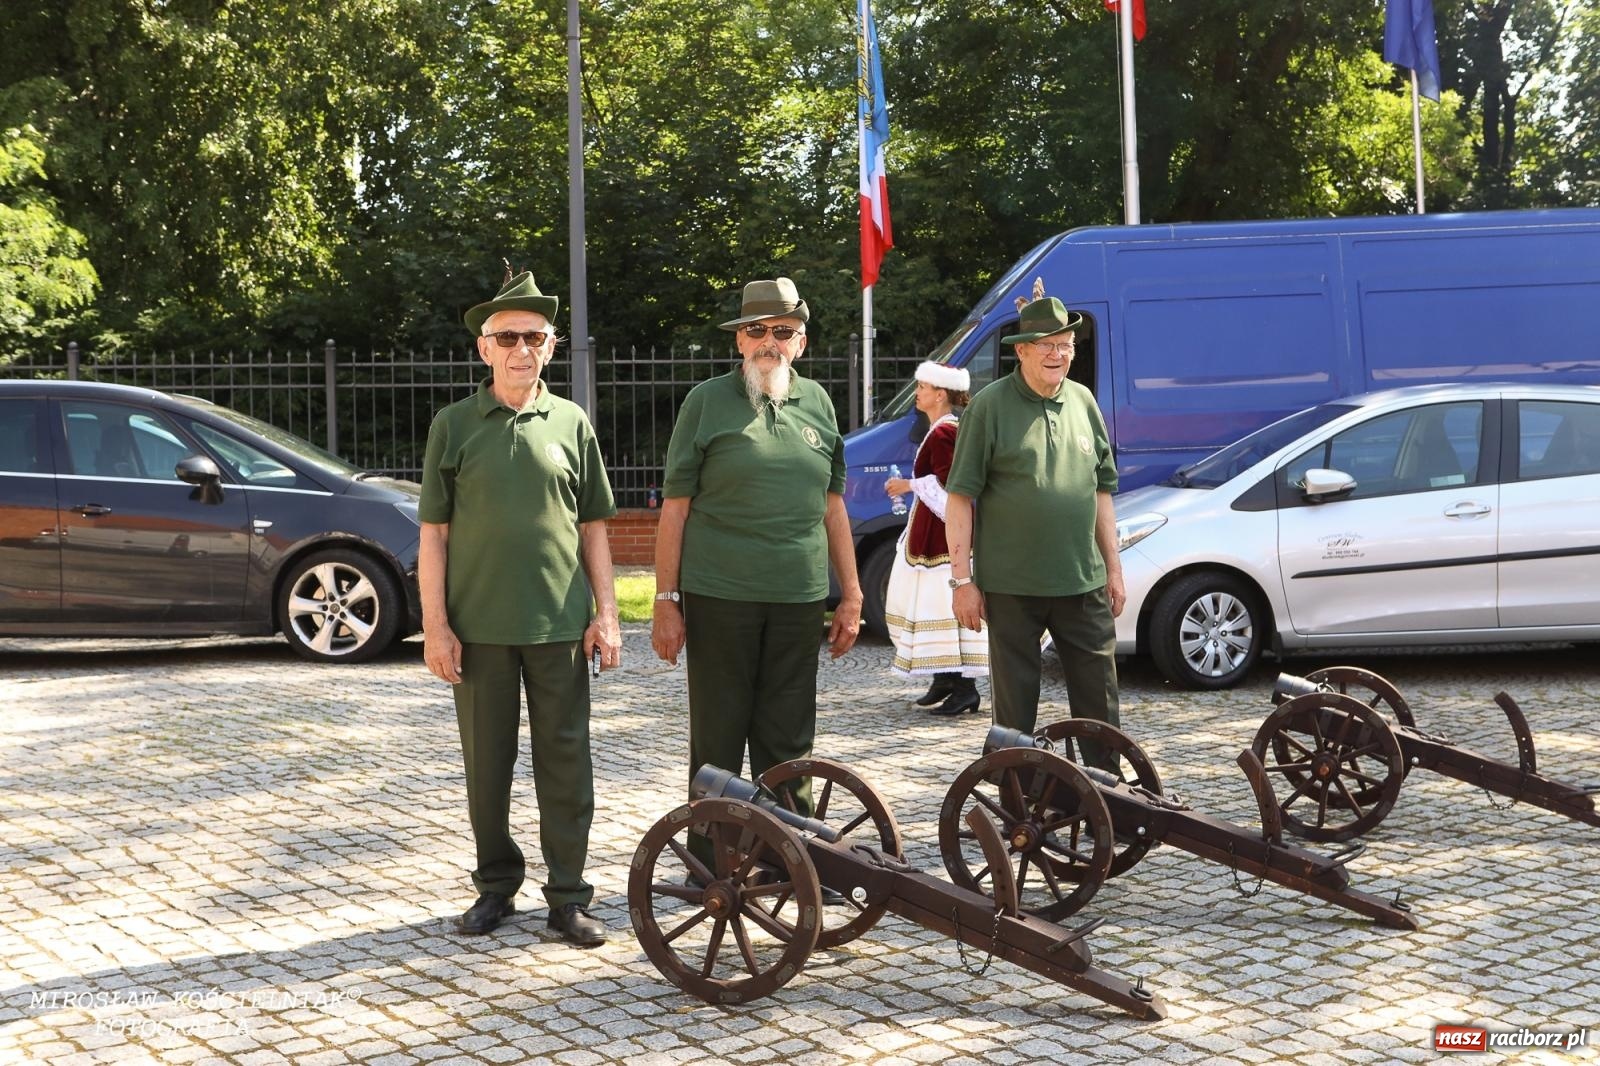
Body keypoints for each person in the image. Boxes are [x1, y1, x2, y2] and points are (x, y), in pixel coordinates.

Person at [418, 270, 621, 945]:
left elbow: (594, 526)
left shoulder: (572, 423)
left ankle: (569, 895)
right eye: (507, 337)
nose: (520, 349)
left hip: (559, 628)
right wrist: (436, 628)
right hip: (478, 633)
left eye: (533, 336)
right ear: (484, 349)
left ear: (551, 347)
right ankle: (495, 888)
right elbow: (434, 535)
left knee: (567, 764)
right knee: (487, 768)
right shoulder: (453, 427)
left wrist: (608, 614)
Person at [650, 276, 863, 830]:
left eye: (783, 331)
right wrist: (665, 600)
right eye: (758, 330)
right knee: (719, 734)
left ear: (801, 343)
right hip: (720, 594)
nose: (770, 341)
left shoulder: (817, 402)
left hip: (798, 595)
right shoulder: (706, 403)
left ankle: (785, 854)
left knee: (789, 738)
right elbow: (675, 509)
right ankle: (711, 861)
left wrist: (853, 595)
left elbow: (833, 506)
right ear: (740, 340)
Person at [943, 296, 1125, 771]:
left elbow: (1103, 491)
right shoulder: (989, 406)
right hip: (1011, 587)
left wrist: (1115, 570)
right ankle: (1017, 806)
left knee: (1100, 705)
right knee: (1015, 711)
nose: (1057, 354)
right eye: (1045, 344)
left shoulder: (1084, 402)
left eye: (1065, 344)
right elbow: (960, 498)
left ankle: (1111, 800)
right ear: (1021, 351)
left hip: (1082, 582)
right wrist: (962, 583)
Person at [882, 361, 988, 716]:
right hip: (931, 537)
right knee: (932, 605)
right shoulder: (940, 429)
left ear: (940, 394)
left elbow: (952, 491)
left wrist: (908, 485)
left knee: (945, 607)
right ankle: (943, 679)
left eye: (922, 387)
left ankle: (964, 688)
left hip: (943, 542)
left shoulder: (945, 432)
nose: (917, 393)